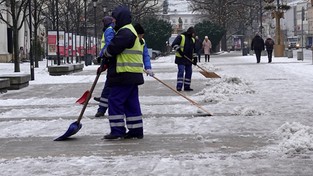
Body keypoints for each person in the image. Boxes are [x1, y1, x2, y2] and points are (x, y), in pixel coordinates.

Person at [98, 5, 150, 140]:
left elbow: (113, 48)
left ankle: (117, 131)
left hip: (123, 73)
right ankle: (135, 130)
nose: (113, 21)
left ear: (121, 18)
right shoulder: (131, 31)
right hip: (132, 74)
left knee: (114, 101)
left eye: (115, 19)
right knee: (131, 103)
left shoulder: (125, 32)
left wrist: (105, 54)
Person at [94, 16, 116, 117]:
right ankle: (102, 108)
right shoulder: (112, 29)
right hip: (110, 60)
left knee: (109, 87)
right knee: (110, 87)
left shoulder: (109, 30)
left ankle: (101, 109)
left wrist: (103, 55)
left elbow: (108, 45)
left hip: (110, 59)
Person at [171, 26, 196, 92]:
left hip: (188, 59)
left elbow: (194, 50)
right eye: (193, 33)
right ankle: (179, 86)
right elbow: (174, 44)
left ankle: (187, 86)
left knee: (189, 72)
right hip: (180, 58)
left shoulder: (192, 40)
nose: (194, 35)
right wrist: (179, 50)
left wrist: (195, 58)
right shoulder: (181, 37)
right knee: (181, 71)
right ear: (190, 33)